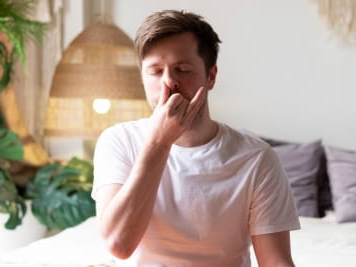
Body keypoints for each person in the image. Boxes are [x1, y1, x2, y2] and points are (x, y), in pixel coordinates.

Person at [91, 9, 300, 267]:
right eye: (155, 71)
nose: (169, 82)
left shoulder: (257, 157)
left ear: (210, 77)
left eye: (182, 69)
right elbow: (118, 245)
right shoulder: (118, 141)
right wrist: (160, 142)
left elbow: (275, 261)